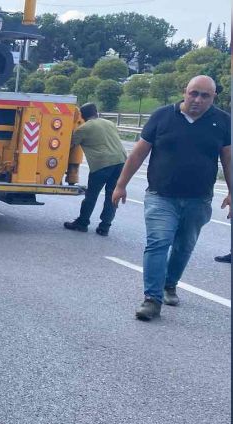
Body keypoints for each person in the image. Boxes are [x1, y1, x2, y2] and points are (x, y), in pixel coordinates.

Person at [112, 75, 232, 321]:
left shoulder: (222, 122)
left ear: (213, 98)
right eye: (193, 93)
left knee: (184, 246)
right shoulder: (162, 116)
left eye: (204, 95)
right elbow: (137, 154)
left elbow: (228, 159)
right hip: (161, 196)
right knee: (158, 242)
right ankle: (152, 300)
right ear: (184, 91)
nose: (197, 99)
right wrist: (120, 185)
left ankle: (170, 284)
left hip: (198, 200)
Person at [63, 102, 127, 235]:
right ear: (96, 112)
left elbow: (69, 145)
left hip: (102, 163)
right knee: (111, 195)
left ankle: (82, 223)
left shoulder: (84, 128)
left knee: (91, 195)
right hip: (121, 162)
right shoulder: (109, 123)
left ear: (82, 115)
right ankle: (104, 227)